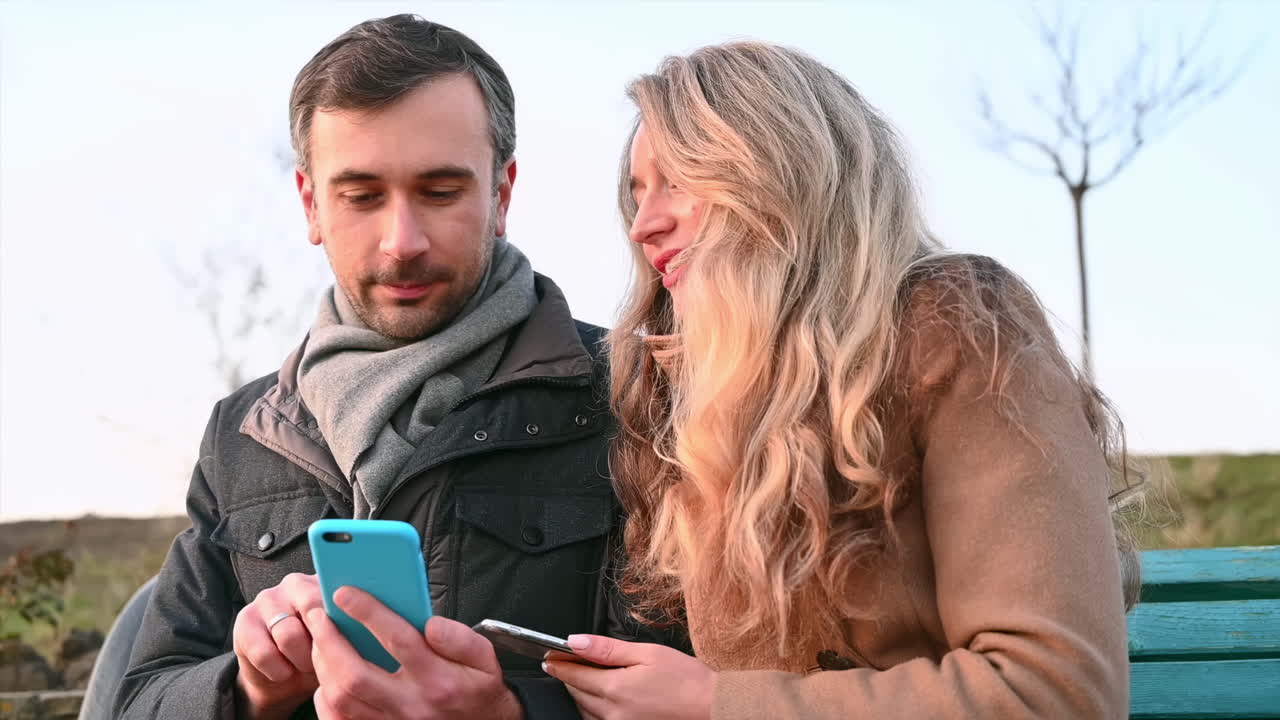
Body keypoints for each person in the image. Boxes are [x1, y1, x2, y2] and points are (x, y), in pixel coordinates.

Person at [543, 41, 1141, 719]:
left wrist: (717, 706)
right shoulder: (704, 395)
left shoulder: (955, 326)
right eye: (637, 192)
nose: (644, 225)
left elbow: (1054, 694)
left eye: (679, 179)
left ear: (781, 171)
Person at [114, 15, 683, 720]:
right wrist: (250, 685)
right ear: (310, 203)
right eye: (361, 195)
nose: (401, 241)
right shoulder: (242, 434)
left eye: (441, 192)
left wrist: (510, 713)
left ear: (501, 195)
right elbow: (134, 700)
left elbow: (708, 682)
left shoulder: (642, 395)